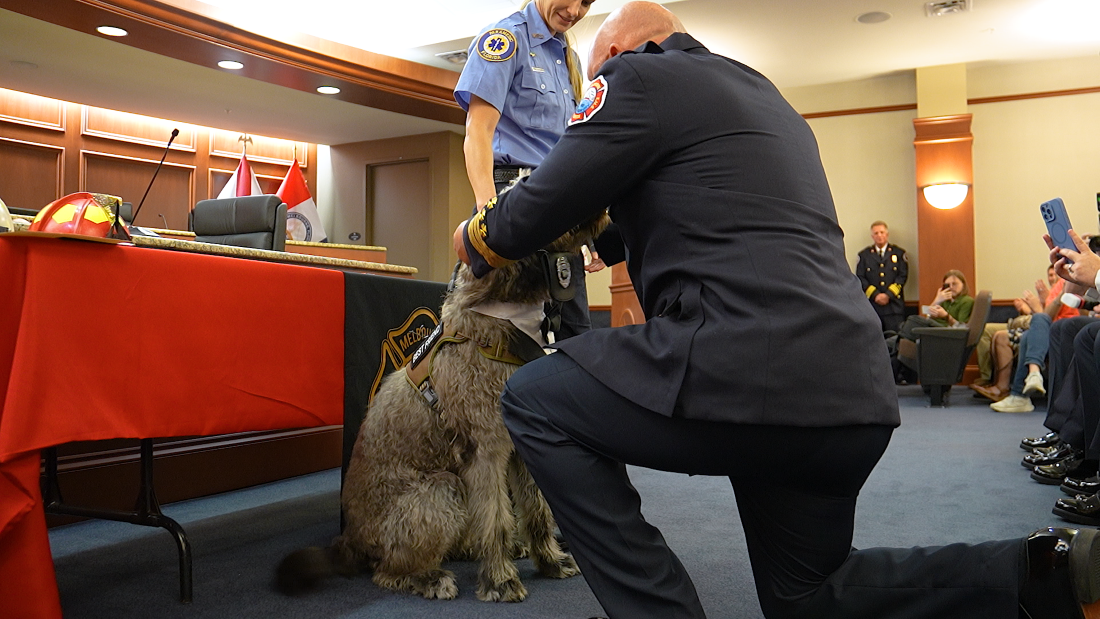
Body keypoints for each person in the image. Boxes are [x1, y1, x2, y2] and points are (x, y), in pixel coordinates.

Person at [454, 3, 1100, 618]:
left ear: (619, 50)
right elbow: (662, 210)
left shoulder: (633, 75)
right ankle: (1044, 570)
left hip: (743, 367)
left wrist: (477, 236)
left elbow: (538, 206)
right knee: (809, 596)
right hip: (849, 390)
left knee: (536, 400)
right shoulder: (767, 100)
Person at [454, 0, 601, 340]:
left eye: (587, 3)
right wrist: (488, 216)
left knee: (574, 337)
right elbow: (478, 132)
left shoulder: (569, 59)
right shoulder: (505, 39)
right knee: (490, 336)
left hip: (560, 210)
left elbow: (567, 148)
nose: (576, 11)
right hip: (513, 200)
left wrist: (587, 229)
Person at [855, 221, 908, 333]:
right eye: (876, 233)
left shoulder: (899, 253)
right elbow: (860, 277)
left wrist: (888, 295)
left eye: (882, 232)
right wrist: (876, 295)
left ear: (887, 234)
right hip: (873, 307)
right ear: (872, 236)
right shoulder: (864, 256)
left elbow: (902, 276)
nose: (879, 235)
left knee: (894, 342)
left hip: (894, 307)